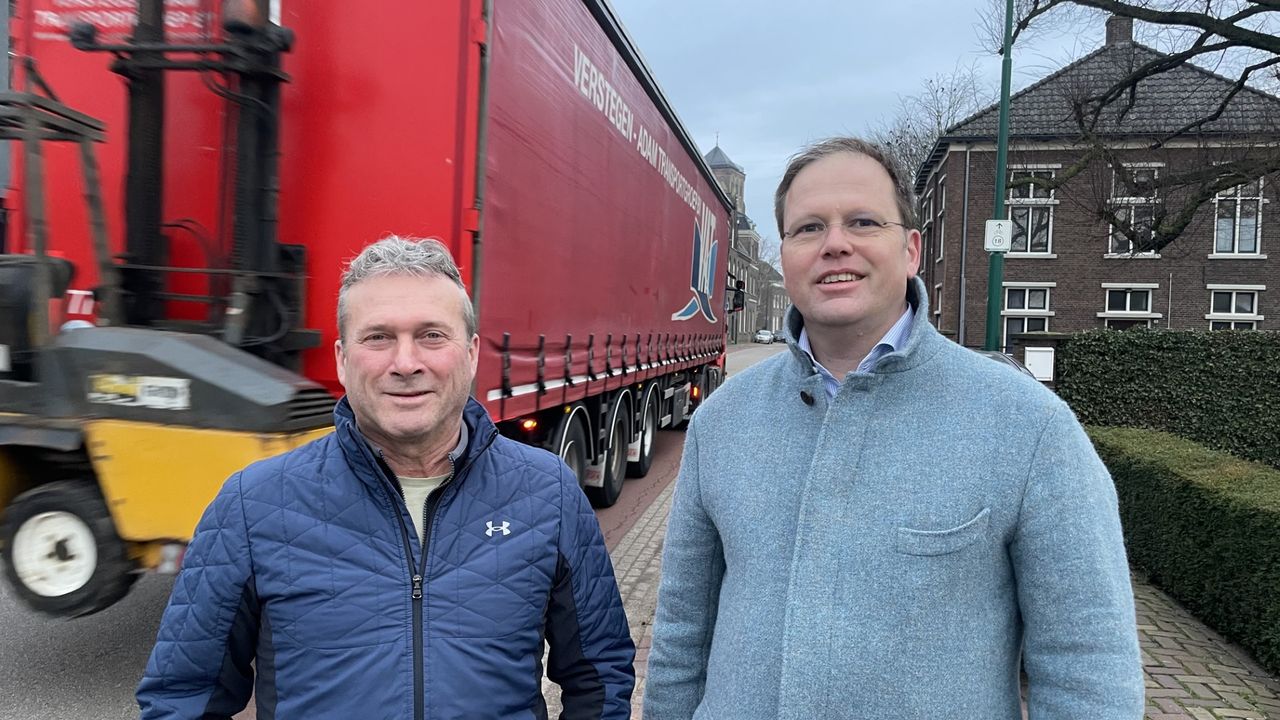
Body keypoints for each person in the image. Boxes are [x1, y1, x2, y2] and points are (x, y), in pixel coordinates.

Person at [643, 138, 1143, 719]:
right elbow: (682, 632)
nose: (835, 243)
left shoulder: (1030, 426)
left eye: (863, 221)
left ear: (911, 250)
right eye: (808, 228)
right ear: (785, 255)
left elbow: (1087, 664)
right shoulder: (721, 421)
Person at [138, 236, 635, 719]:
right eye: (378, 337)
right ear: (342, 359)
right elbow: (183, 696)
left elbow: (600, 680)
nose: (405, 363)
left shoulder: (547, 493)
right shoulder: (254, 504)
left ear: (471, 354)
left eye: (431, 335)